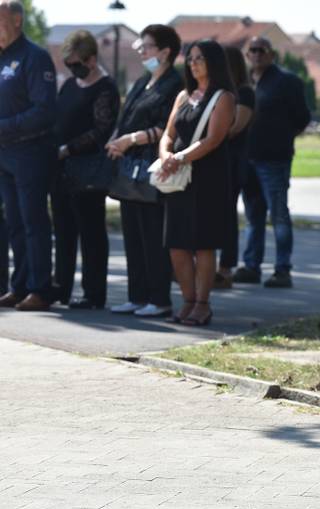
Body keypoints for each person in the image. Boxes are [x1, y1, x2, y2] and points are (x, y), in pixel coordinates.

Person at [106, 24, 183, 317]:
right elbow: (127, 118)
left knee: (152, 237)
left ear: (165, 52)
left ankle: (159, 298)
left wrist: (131, 140)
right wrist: (117, 139)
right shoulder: (143, 81)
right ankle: (136, 295)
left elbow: (168, 127)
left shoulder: (174, 85)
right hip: (129, 171)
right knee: (133, 236)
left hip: (152, 169)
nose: (141, 51)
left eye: (147, 47)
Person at [157, 40, 235, 326]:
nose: (193, 63)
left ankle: (203, 303)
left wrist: (179, 157)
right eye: (190, 59)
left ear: (213, 62)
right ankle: (188, 299)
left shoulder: (223, 97)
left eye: (199, 58)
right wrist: (166, 154)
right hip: (178, 178)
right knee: (176, 244)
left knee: (203, 244)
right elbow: (167, 134)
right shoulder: (182, 96)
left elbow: (213, 138)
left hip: (207, 177)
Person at [232, 36, 310, 289]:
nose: (255, 54)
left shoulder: (287, 82)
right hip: (247, 158)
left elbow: (302, 118)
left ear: (271, 54)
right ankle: (251, 266)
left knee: (278, 215)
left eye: (261, 50)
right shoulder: (243, 83)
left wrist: (282, 137)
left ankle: (282, 270)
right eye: (251, 50)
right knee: (253, 217)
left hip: (274, 159)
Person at [51, 29, 119, 310]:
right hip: (60, 169)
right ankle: (61, 288)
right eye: (68, 64)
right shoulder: (68, 85)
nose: (72, 68)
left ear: (91, 59)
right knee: (63, 231)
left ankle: (93, 293)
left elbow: (101, 130)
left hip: (87, 170)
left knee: (91, 233)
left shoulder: (106, 88)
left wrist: (68, 148)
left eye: (77, 63)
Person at [0, 0, 56, 311]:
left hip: (30, 152)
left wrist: (3, 127)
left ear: (17, 21)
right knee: (15, 223)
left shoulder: (35, 58)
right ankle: (19, 286)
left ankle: (40, 289)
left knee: (34, 221)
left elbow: (44, 111)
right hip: (5, 155)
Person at [214, 45, 255, 289]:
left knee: (228, 216)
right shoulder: (219, 92)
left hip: (233, 162)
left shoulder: (244, 92)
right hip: (215, 161)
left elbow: (235, 127)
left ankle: (225, 267)